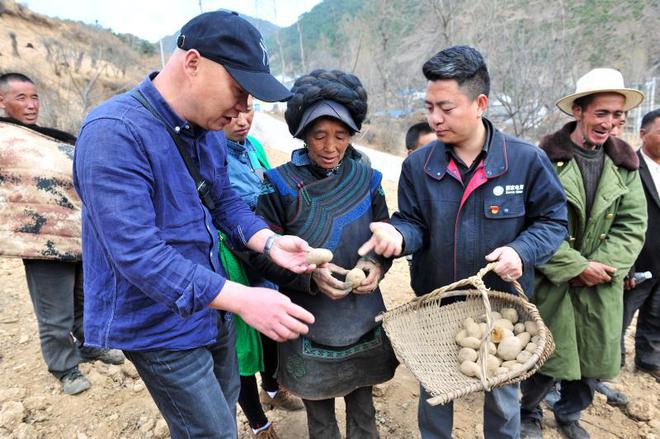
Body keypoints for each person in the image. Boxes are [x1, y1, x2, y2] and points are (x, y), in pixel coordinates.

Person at [73, 12, 315, 439]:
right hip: (158, 323)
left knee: (222, 415)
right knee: (210, 432)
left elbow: (222, 200)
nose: (242, 109)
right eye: (239, 91)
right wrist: (244, 299)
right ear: (192, 63)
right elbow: (138, 254)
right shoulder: (114, 133)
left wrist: (269, 242)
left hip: (211, 305)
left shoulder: (208, 130)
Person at [358, 45, 568, 439]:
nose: (434, 119)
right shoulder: (419, 166)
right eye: (429, 106)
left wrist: (520, 252)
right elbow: (414, 222)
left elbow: (553, 222)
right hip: (438, 305)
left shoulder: (524, 161)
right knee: (436, 391)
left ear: (480, 103)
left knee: (503, 398)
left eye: (446, 107)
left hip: (501, 306)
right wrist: (398, 233)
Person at [250, 69, 398, 439]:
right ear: (302, 134)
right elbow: (259, 253)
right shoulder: (279, 185)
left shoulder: (367, 180)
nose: (331, 146)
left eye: (341, 136)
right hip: (308, 320)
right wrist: (308, 277)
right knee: (320, 416)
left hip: (362, 315)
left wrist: (374, 264)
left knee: (363, 407)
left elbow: (384, 232)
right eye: (320, 136)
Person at [519, 68, 647, 439]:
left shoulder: (626, 165)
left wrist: (602, 267)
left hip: (602, 280)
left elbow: (632, 225)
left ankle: (569, 413)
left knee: (594, 357)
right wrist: (575, 265)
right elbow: (530, 219)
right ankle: (528, 412)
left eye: (617, 115)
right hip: (554, 275)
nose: (609, 123)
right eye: (601, 113)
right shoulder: (543, 158)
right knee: (545, 354)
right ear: (579, 111)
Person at [0, 73, 124, 396]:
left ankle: (90, 345)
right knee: (55, 311)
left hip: (79, 234)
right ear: (2, 102)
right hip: (41, 242)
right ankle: (64, 367)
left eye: (34, 97)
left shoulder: (50, 137)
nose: (30, 105)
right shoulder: (5, 137)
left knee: (86, 300)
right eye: (21, 98)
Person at [220, 96, 303, 439]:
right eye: (234, 112)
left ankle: (272, 387)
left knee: (272, 324)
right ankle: (257, 421)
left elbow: (267, 191)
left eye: (249, 110)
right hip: (232, 258)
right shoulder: (210, 153)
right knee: (241, 342)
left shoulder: (252, 146)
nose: (242, 119)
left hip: (264, 250)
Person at [621, 108, 660, 381]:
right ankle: (610, 365)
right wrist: (626, 264)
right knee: (620, 317)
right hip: (638, 261)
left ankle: (648, 361)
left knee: (656, 316)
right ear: (643, 134)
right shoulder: (628, 166)